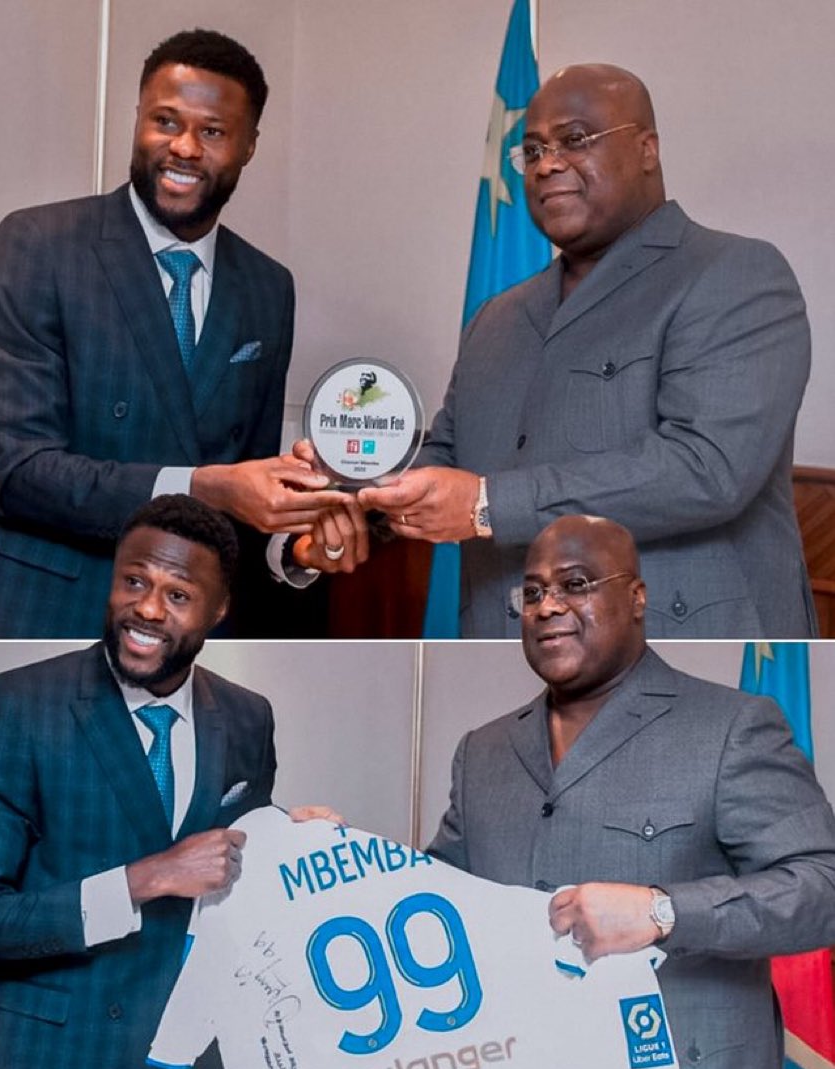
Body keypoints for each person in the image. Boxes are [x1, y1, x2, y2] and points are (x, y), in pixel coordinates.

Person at [329, 62, 817, 639]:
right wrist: (350, 498)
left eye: (575, 140)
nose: (548, 164)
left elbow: (707, 469)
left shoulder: (734, 274)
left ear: (646, 149)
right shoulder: (497, 317)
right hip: (504, 651)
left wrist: (487, 504)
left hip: (671, 653)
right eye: (532, 151)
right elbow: (447, 459)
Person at [0, 494, 338, 1069]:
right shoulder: (17, 705)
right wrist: (144, 878)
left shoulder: (245, 717)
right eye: (134, 581)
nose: (147, 608)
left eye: (177, 593)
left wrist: (289, 841)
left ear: (217, 609)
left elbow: (233, 887)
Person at [427, 512, 835, 1069]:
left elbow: (822, 886)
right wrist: (329, 854)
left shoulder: (731, 727)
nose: (547, 605)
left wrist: (660, 911)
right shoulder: (484, 750)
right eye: (530, 592)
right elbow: (435, 900)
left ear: (637, 596)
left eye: (575, 582)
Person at [0, 27, 347, 640]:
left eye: (213, 131)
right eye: (166, 121)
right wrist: (205, 487)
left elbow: (245, 488)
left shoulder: (269, 287)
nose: (186, 147)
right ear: (138, 119)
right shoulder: (38, 246)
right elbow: (23, 474)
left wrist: (294, 553)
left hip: (190, 633)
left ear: (248, 145)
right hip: (51, 614)